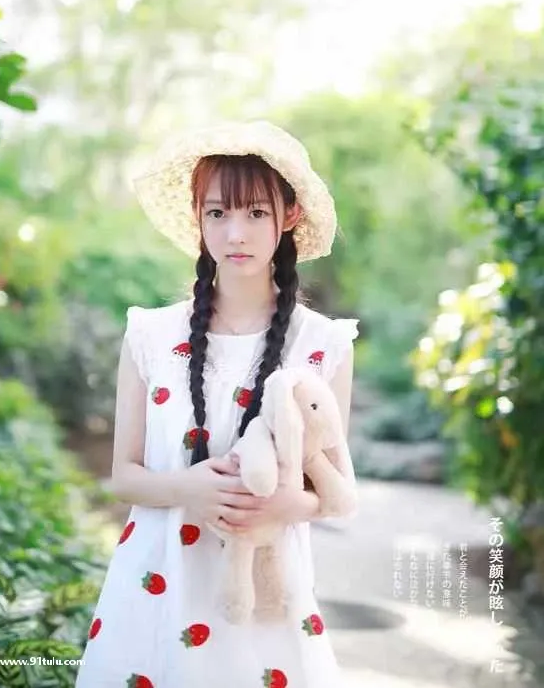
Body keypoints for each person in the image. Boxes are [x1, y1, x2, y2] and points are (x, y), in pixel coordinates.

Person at [75, 119, 359, 688]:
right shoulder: (150, 336)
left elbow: (334, 489)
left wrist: (284, 505)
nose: (235, 233)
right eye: (217, 213)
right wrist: (191, 488)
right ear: (197, 217)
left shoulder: (323, 344)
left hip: (266, 601)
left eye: (255, 213)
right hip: (157, 588)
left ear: (289, 216)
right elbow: (124, 476)